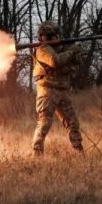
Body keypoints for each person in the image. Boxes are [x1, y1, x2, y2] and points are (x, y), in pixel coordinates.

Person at [30, 21, 84, 155]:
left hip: (62, 90)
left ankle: (79, 151)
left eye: (52, 35)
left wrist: (75, 52)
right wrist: (72, 51)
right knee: (44, 123)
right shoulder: (42, 50)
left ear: (57, 35)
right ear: (41, 37)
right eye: (46, 36)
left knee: (72, 122)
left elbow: (76, 62)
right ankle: (37, 154)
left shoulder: (63, 48)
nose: (50, 39)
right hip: (47, 91)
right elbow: (55, 61)